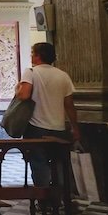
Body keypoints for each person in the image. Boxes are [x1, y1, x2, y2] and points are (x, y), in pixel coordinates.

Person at [15, 42, 80, 188]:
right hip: (58, 127)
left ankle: (44, 199)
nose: (31, 56)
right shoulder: (63, 76)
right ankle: (60, 196)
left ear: (38, 56)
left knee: (39, 164)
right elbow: (69, 105)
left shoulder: (31, 72)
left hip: (36, 127)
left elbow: (24, 95)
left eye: (33, 53)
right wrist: (75, 128)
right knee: (59, 163)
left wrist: (18, 89)